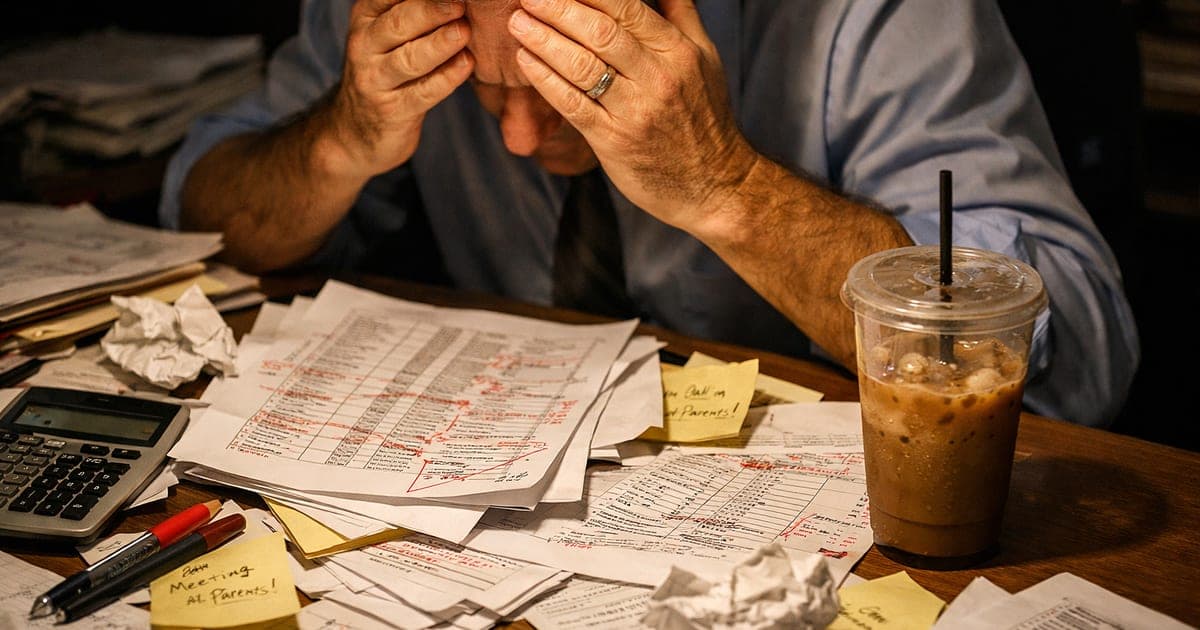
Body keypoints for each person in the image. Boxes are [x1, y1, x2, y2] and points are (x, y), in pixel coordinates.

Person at [159, 0, 1139, 428]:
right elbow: (205, 218)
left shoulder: (864, 15)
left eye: (575, 81)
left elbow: (1082, 357)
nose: (515, 137)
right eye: (488, 86)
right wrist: (338, 137)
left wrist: (726, 186)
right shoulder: (391, 13)